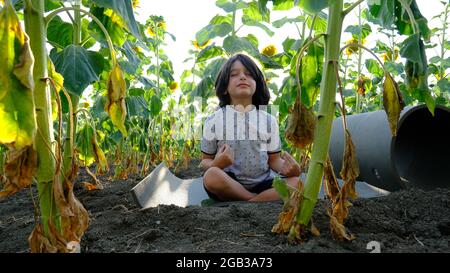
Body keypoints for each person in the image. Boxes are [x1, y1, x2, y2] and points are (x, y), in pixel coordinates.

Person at [200, 53, 300, 202]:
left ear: (257, 84)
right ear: (225, 88)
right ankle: (257, 199)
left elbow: (274, 160)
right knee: (211, 176)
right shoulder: (213, 121)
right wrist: (217, 163)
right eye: (234, 74)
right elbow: (205, 162)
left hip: (264, 182)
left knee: (297, 182)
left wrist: (290, 169)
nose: (242, 77)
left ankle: (251, 199)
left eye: (249, 74)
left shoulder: (268, 120)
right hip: (228, 181)